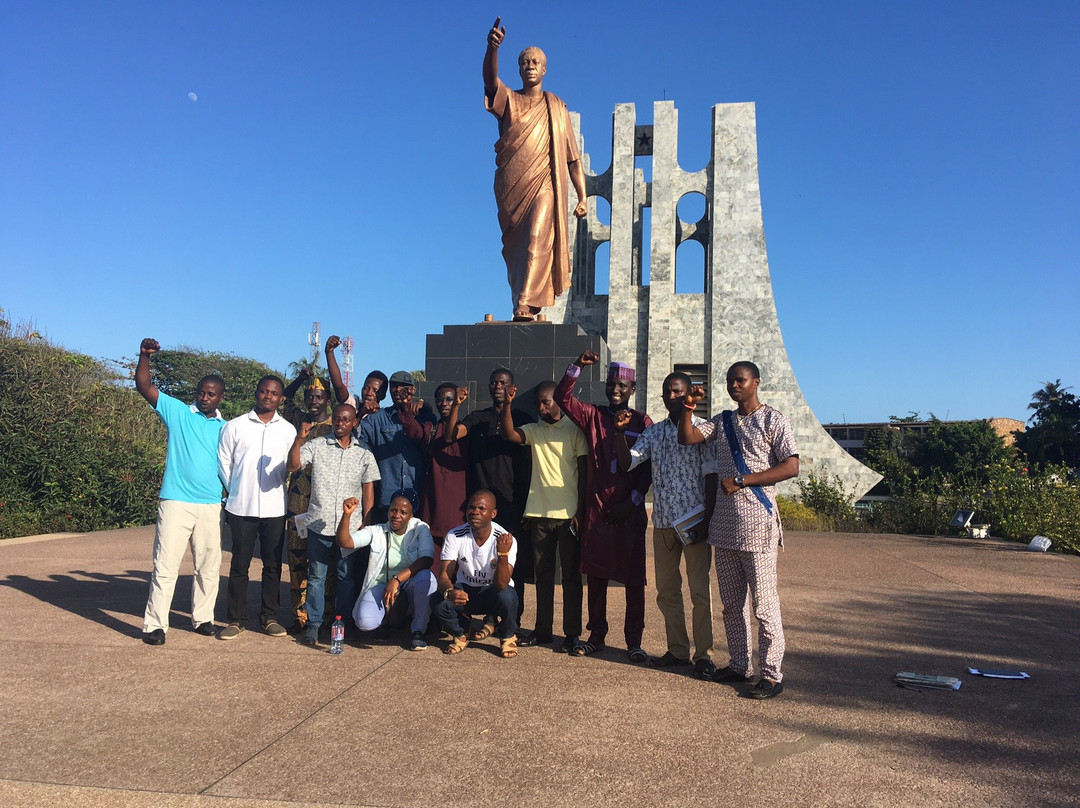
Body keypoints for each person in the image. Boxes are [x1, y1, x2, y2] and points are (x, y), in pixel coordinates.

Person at [677, 362, 799, 700]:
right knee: (731, 605)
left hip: (757, 525)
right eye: (730, 380)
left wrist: (744, 480)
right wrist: (689, 407)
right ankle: (740, 665)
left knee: (764, 606)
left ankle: (771, 675)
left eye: (740, 380)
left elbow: (791, 466)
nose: (734, 385)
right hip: (724, 528)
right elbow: (687, 437)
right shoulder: (723, 421)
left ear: (755, 382)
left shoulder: (773, 420)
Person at [483, 16, 587, 321]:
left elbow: (572, 159)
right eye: (525, 62)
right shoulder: (509, 101)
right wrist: (492, 49)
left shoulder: (556, 108)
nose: (530, 65)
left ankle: (525, 303)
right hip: (512, 187)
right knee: (516, 251)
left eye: (535, 62)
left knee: (537, 239)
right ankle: (520, 296)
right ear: (518, 69)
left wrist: (582, 196)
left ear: (544, 70)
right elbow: (490, 81)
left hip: (544, 185)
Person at [615, 372, 717, 678]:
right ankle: (678, 650)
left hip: (694, 520)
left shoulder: (703, 429)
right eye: (667, 392)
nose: (671, 396)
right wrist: (619, 434)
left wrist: (708, 520)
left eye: (677, 391)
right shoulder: (654, 432)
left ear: (688, 395)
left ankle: (705, 654)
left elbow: (711, 476)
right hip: (662, 522)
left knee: (700, 593)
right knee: (667, 591)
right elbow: (628, 463)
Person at [554, 351, 652, 661]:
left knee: (633, 580)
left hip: (629, 512)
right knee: (596, 577)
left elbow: (647, 470)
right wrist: (577, 366)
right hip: (598, 509)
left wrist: (631, 502)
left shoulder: (642, 421)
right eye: (611, 385)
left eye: (622, 386)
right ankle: (596, 636)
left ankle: (634, 641)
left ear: (632, 389)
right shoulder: (593, 415)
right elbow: (561, 398)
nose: (615, 390)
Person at [134, 337, 226, 646]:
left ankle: (203, 619)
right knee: (165, 566)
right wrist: (145, 356)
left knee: (208, 567)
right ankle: (155, 625)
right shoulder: (178, 412)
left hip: (211, 505)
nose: (205, 398)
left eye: (211, 394)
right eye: (201, 392)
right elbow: (144, 386)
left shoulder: (226, 428)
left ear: (220, 397)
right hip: (176, 502)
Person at [499, 381, 586, 652]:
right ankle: (543, 631)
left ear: (558, 401)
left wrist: (580, 511)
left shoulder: (575, 430)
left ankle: (572, 633)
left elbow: (585, 475)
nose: (541, 407)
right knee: (543, 577)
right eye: (537, 403)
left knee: (571, 578)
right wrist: (508, 404)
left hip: (568, 516)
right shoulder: (534, 430)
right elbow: (509, 434)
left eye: (546, 402)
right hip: (539, 515)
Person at [445, 368, 533, 630]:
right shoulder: (478, 417)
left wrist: (528, 506)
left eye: (503, 383)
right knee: (478, 562)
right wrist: (456, 406)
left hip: (512, 504)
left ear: (512, 387)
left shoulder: (523, 418)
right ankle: (482, 617)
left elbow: (526, 458)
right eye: (494, 382)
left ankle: (510, 621)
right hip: (481, 508)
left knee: (513, 564)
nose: (497, 386)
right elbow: (451, 436)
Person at [286, 403, 380, 647]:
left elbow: (368, 488)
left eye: (346, 419)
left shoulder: (364, 453)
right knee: (316, 576)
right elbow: (293, 466)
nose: (340, 423)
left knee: (345, 577)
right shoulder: (316, 445)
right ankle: (314, 625)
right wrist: (299, 438)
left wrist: (367, 521)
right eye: (337, 418)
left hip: (350, 528)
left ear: (354, 423)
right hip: (319, 524)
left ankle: (343, 622)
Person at [217, 376, 297, 640]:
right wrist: (237, 490)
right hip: (241, 506)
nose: (268, 396)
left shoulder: (288, 430)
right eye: (264, 391)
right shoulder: (234, 426)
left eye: (274, 393)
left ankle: (269, 617)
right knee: (239, 564)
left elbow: (292, 465)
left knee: (272, 565)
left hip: (275, 508)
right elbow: (224, 463)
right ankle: (236, 619)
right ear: (257, 393)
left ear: (280, 399)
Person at [335, 490, 437, 650]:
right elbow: (345, 542)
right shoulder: (377, 530)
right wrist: (346, 515)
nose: (396, 515)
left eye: (403, 512)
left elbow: (427, 559)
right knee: (365, 622)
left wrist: (397, 580)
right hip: (382, 586)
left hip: (409, 584)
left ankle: (418, 630)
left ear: (411, 515)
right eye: (393, 510)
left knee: (426, 578)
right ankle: (385, 622)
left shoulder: (420, 528)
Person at [433, 490, 519, 658]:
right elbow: (444, 575)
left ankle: (508, 636)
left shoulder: (506, 539)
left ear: (493, 514)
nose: (475, 512)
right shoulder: (455, 535)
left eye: (482, 508)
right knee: (437, 601)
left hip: (493, 592)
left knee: (508, 596)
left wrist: (502, 554)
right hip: (466, 591)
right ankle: (462, 632)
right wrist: (450, 592)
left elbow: (501, 584)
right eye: (471, 508)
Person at [280, 369, 333, 633]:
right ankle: (300, 614)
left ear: (328, 400)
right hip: (298, 503)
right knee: (297, 558)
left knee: (325, 561)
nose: (313, 400)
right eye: (309, 396)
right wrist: (301, 378)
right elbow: (282, 400)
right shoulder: (299, 420)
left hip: (325, 502)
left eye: (319, 396)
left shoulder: (337, 426)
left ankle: (326, 614)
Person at [404, 382, 469, 572]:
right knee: (432, 563)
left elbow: (451, 436)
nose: (445, 403)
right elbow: (414, 431)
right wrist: (407, 406)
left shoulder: (466, 429)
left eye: (449, 399)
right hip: (433, 505)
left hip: (459, 506)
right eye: (440, 399)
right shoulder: (431, 428)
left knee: (458, 564)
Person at [324, 334, 387, 421]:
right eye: (366, 388)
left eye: (375, 390)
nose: (369, 393)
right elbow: (338, 385)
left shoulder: (383, 418)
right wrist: (329, 352)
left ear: (383, 396)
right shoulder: (353, 405)